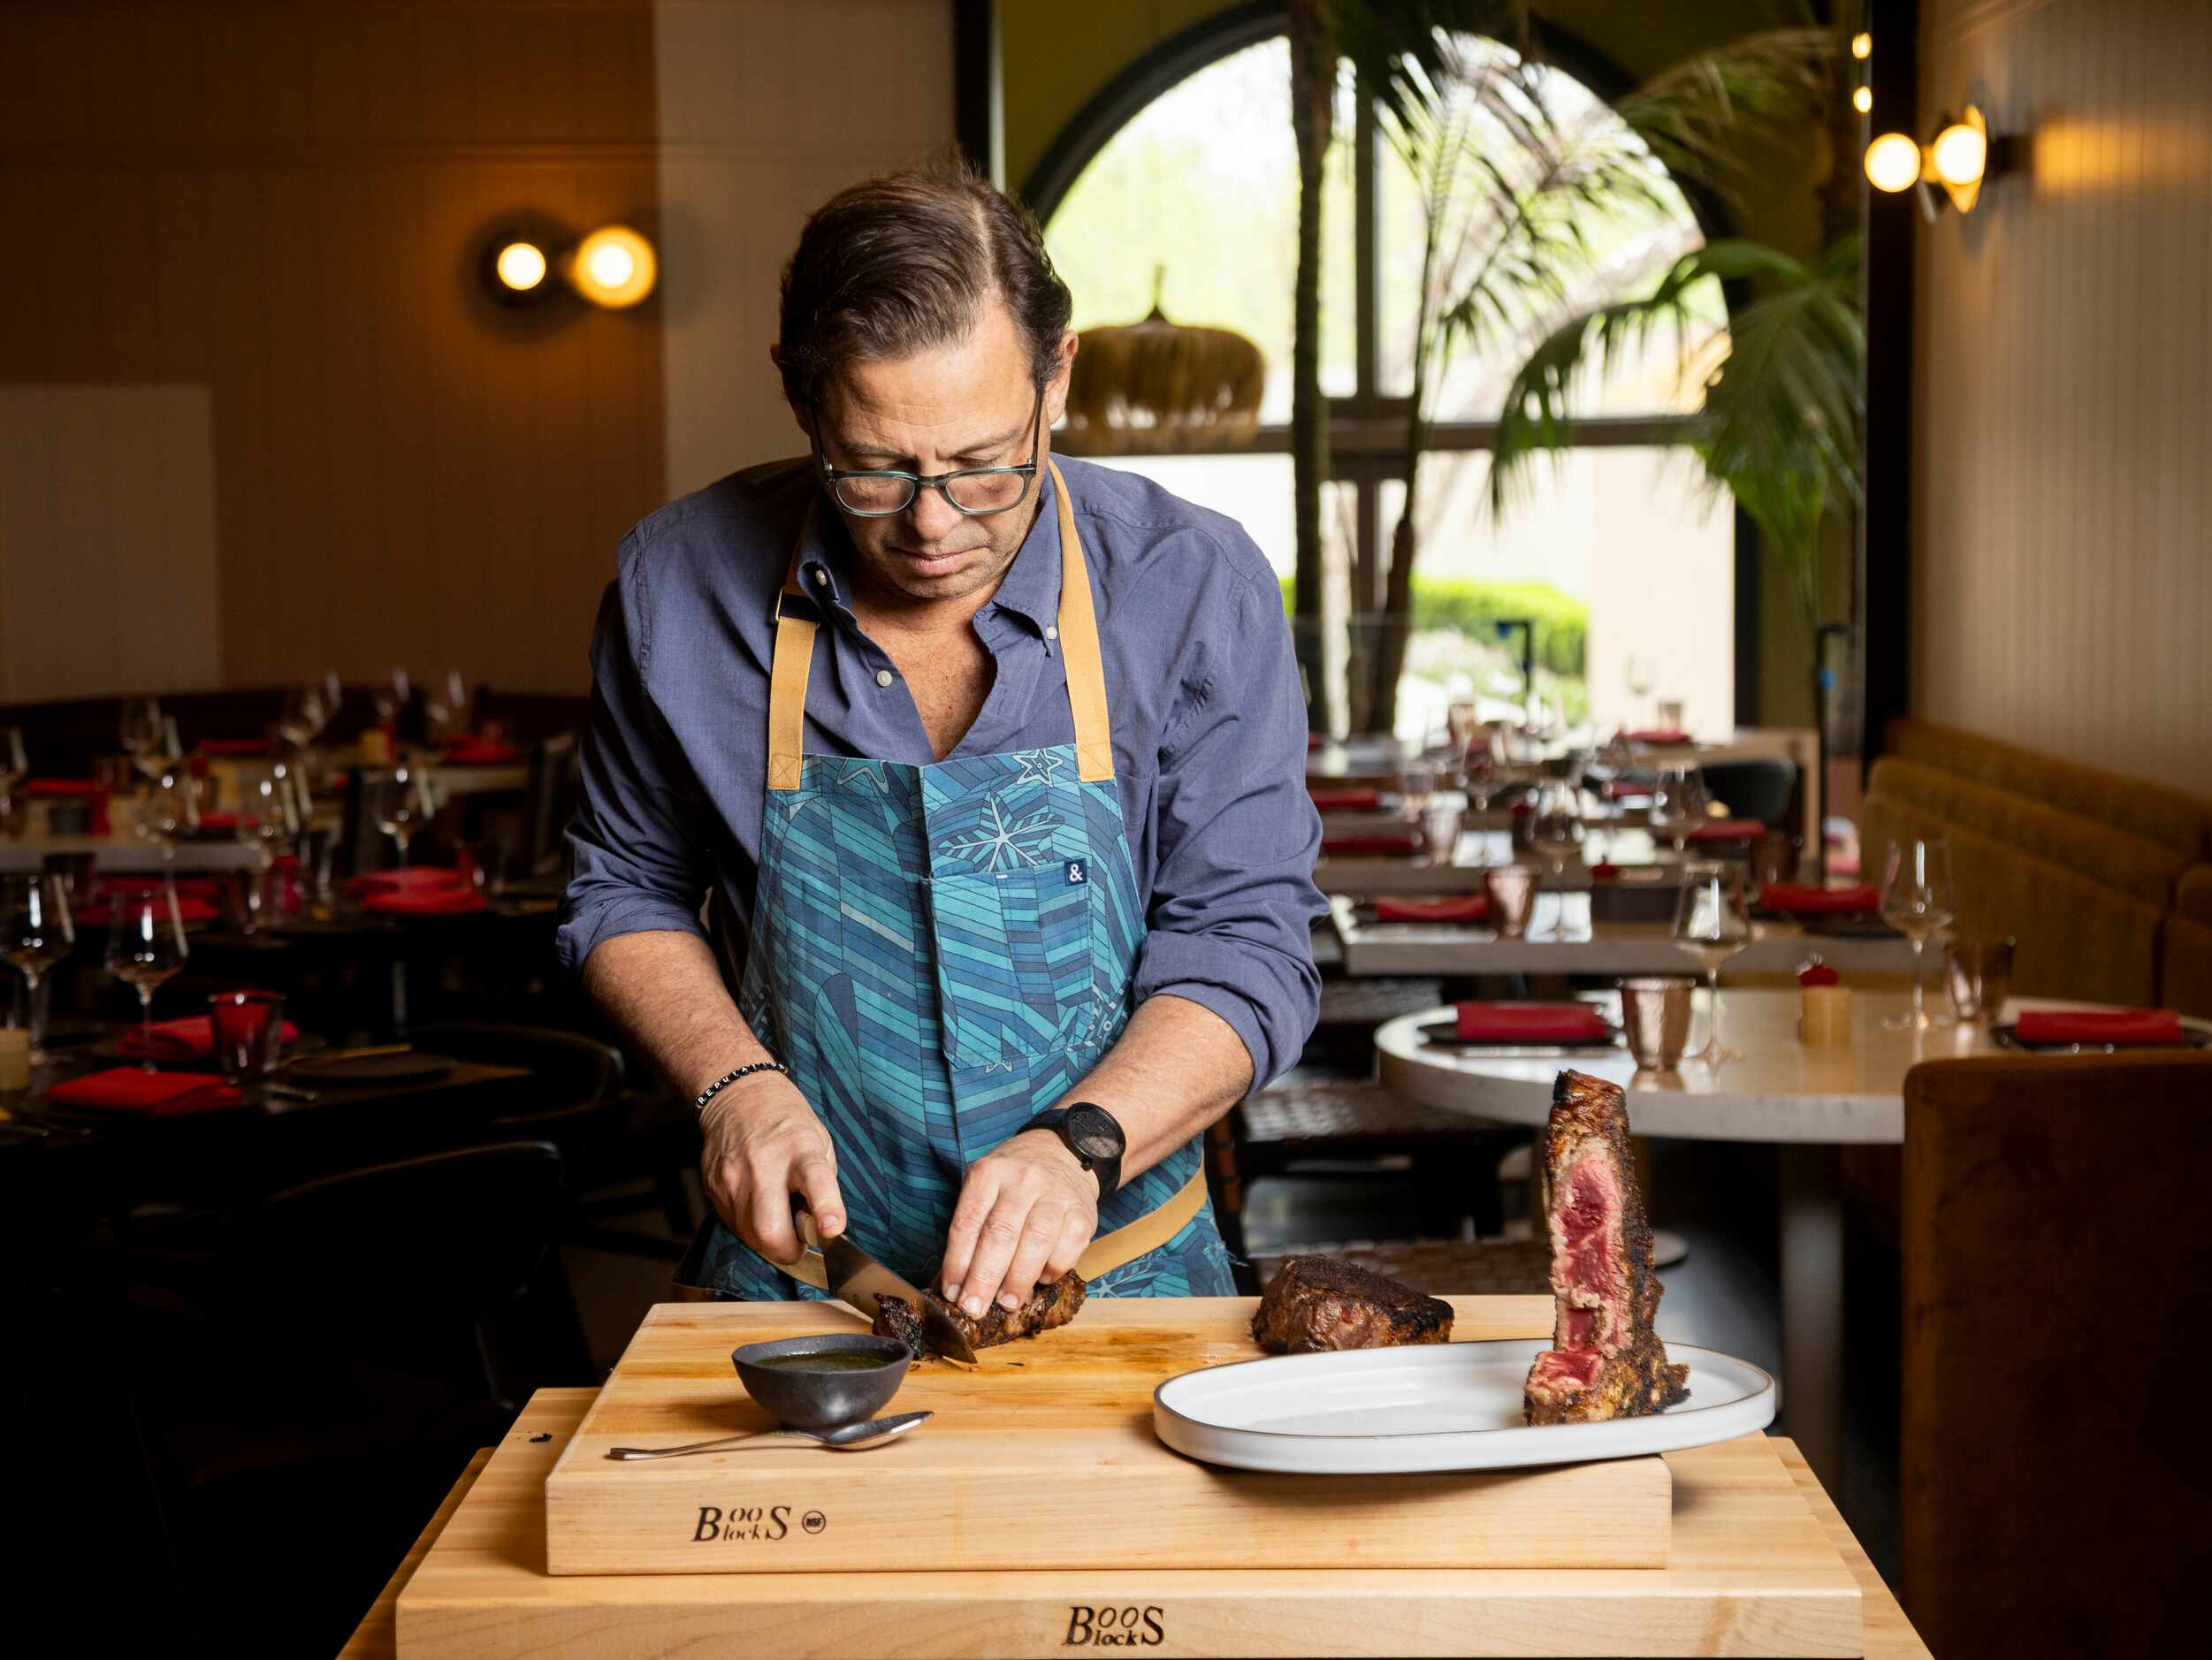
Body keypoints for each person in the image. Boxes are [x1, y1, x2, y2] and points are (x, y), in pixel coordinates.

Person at [560, 163, 1323, 1316]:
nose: (930, 525)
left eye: (982, 464)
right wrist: (730, 1083)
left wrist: (1083, 1139)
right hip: (800, 1290)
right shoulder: (676, 585)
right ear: (799, 398)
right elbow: (623, 892)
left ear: (1056, 376)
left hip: (1123, 1287)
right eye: (873, 467)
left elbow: (1247, 941)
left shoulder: (1193, 585)